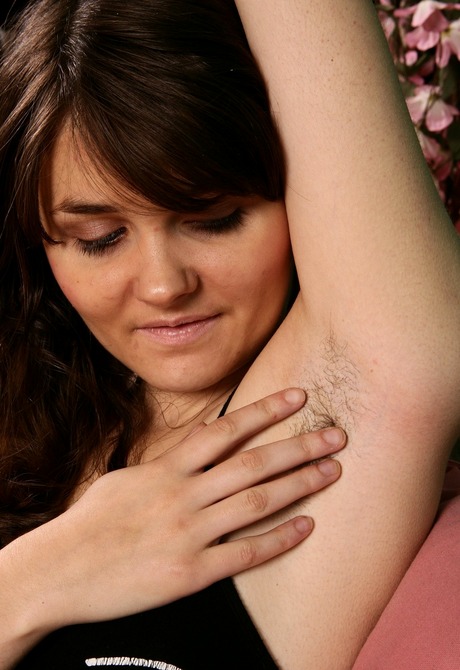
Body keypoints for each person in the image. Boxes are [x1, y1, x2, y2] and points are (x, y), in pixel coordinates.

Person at [0, 0, 458, 668]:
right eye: (98, 239)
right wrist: (31, 581)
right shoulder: (19, 424)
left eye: (213, 219)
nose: (164, 286)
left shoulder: (337, 410)